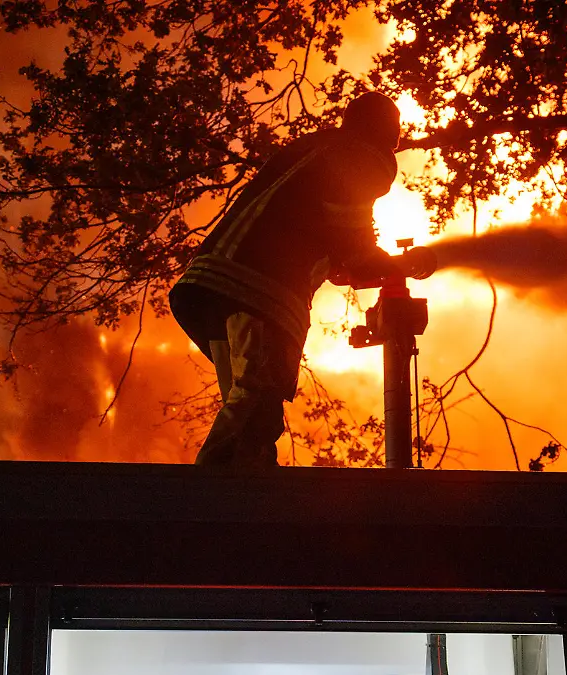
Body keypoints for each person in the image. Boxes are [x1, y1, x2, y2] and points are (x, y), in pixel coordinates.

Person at [169, 92, 403, 469]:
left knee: (256, 404)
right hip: (256, 287)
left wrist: (344, 259)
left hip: (207, 285)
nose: (399, 136)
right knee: (257, 388)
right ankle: (213, 489)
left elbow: (317, 221)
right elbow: (353, 236)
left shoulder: (314, 148)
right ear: (378, 126)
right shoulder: (364, 156)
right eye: (394, 125)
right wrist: (389, 262)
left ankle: (251, 488)